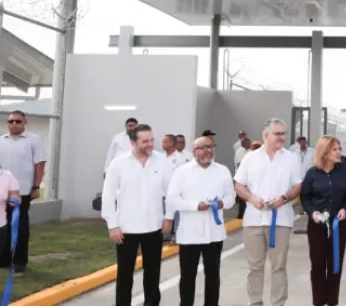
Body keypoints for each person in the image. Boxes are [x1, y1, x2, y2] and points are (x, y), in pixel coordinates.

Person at [101, 124, 173, 306]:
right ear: (133, 142)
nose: (150, 144)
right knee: (125, 274)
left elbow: (171, 192)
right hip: (126, 229)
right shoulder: (118, 164)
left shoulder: (162, 161)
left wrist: (169, 216)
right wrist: (112, 225)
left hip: (154, 227)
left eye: (152, 140)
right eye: (145, 141)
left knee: (153, 272)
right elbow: (108, 196)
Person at [233, 118, 303, 306]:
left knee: (279, 266)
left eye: (283, 134)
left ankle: (278, 303)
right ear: (265, 135)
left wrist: (284, 198)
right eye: (277, 134)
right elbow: (238, 185)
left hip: (281, 221)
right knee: (255, 267)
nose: (282, 137)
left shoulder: (291, 158)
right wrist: (252, 199)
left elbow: (298, 185)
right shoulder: (251, 158)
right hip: (254, 220)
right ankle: (255, 302)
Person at [166, 135, 235, 306]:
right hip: (190, 234)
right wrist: (196, 205)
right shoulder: (182, 172)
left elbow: (231, 197)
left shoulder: (222, 171)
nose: (208, 151)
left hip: (214, 233)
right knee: (188, 276)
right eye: (203, 148)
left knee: (213, 275)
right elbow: (172, 200)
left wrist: (222, 203)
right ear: (194, 151)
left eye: (211, 147)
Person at [300, 135, 346, 306]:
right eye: (335, 149)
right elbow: (305, 197)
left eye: (339, 149)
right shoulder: (312, 173)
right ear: (324, 152)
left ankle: (332, 302)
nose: (339, 152)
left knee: (335, 265)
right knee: (317, 266)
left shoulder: (345, 171)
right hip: (317, 226)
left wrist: (345, 209)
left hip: (339, 226)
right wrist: (312, 212)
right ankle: (318, 302)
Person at [0, 110, 46, 273]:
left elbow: (39, 164)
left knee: (20, 226)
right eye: (11, 121)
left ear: (25, 123)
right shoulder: (1, 140)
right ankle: (3, 259)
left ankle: (20, 261)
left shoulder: (34, 140)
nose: (14, 124)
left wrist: (36, 186)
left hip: (22, 191)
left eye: (18, 121)